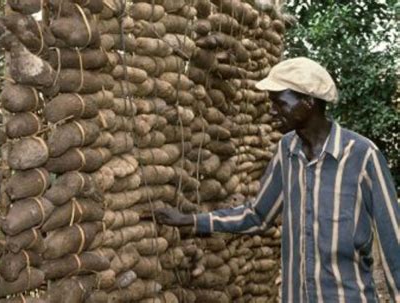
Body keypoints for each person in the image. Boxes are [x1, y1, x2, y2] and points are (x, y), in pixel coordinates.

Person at [155, 57, 400, 302]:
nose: (272, 111)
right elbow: (258, 216)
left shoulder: (362, 155)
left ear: (308, 102)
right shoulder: (287, 151)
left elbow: (393, 239)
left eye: (280, 103)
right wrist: (191, 220)